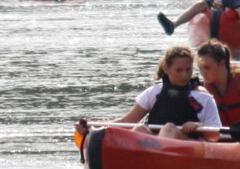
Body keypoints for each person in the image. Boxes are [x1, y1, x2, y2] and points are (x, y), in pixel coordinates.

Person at [75, 45, 225, 142]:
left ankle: (157, 156)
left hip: (190, 145)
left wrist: (198, 125)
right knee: (140, 129)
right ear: (166, 69)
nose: (185, 75)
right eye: (179, 70)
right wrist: (91, 126)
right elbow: (126, 123)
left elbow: (215, 135)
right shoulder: (154, 93)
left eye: (188, 70)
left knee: (169, 128)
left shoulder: (202, 97)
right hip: (155, 146)